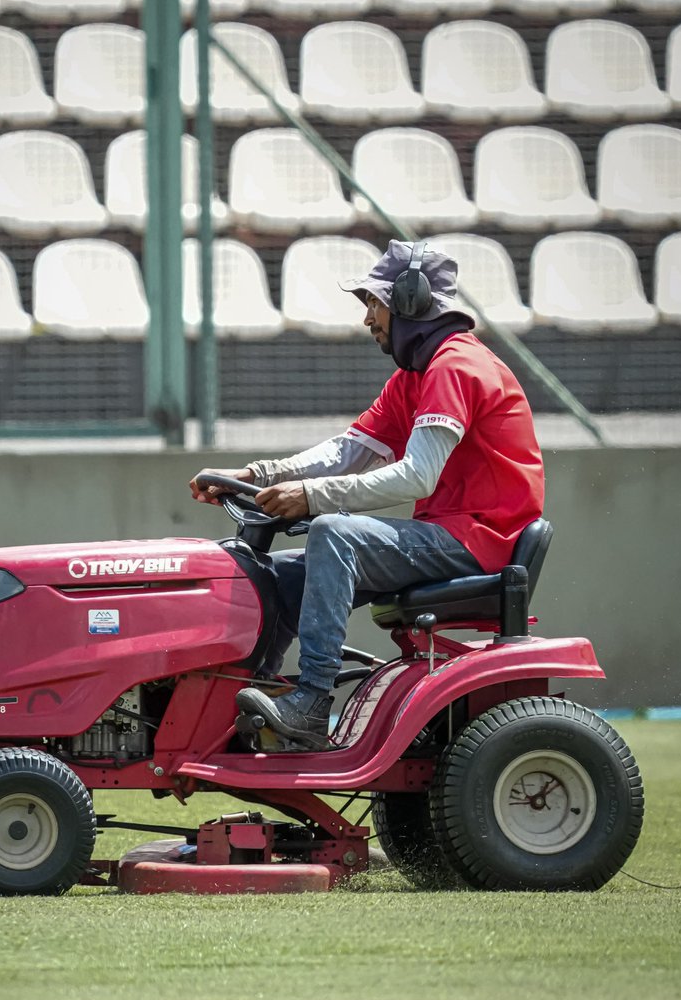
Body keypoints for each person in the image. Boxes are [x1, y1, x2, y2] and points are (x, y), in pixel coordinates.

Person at [190, 239, 544, 752]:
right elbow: (348, 452)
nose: (367, 320)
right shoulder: (414, 378)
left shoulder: (454, 368)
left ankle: (311, 704)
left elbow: (417, 477)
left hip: (479, 542)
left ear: (410, 301)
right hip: (448, 535)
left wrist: (313, 497)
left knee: (335, 534)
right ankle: (250, 700)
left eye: (372, 304)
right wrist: (255, 473)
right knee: (276, 574)